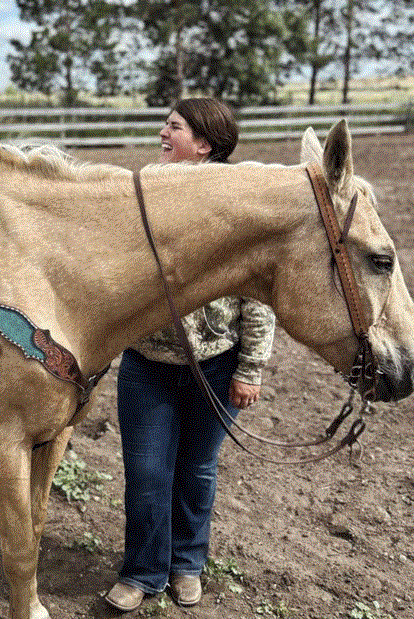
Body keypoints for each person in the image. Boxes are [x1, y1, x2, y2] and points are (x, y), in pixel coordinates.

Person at [105, 98, 276, 612]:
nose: (162, 132)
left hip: (217, 365)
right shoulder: (144, 196)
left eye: (173, 127)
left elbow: (258, 295)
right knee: (146, 472)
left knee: (197, 470)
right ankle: (142, 572)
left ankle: (186, 565)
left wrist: (250, 369)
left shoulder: (235, 207)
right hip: (146, 367)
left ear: (203, 144)